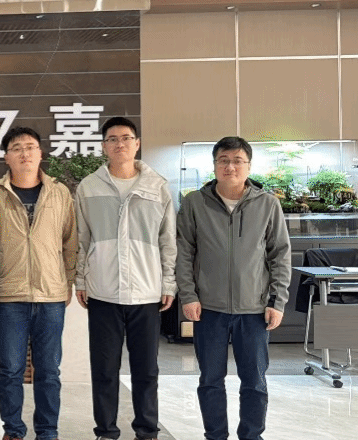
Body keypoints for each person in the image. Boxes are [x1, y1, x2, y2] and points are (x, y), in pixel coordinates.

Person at [176, 136, 291, 440]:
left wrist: (277, 301)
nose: (230, 167)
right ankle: (215, 436)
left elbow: (280, 255)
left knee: (254, 382)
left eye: (237, 161)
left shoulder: (267, 204)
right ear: (214, 165)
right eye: (223, 160)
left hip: (254, 310)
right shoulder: (194, 203)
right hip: (208, 309)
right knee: (210, 380)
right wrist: (188, 295)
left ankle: (251, 436)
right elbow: (183, 253)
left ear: (248, 166)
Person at [73, 117, 176, 440]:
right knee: (104, 369)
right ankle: (106, 431)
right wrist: (81, 280)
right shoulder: (88, 187)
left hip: (146, 291)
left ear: (137, 143)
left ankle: (147, 430)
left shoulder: (157, 187)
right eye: (113, 139)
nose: (120, 144)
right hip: (102, 290)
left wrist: (168, 283)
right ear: (104, 146)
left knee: (146, 370)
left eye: (126, 138)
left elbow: (168, 240)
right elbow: (81, 239)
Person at [0, 127, 76, 440]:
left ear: (40, 153)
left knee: (48, 370)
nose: (25, 153)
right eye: (17, 148)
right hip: (9, 296)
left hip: (51, 296)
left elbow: (70, 241)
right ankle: (13, 430)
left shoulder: (59, 193)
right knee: (10, 369)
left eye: (31, 147)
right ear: (7, 157)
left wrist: (68, 282)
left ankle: (47, 431)